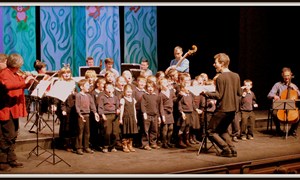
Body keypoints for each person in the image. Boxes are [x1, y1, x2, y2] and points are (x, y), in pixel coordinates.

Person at [201, 53, 242, 158]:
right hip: (233, 110)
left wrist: (205, 93)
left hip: (223, 109)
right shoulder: (236, 76)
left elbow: (219, 95)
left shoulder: (220, 78)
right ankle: (233, 149)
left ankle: (225, 149)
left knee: (210, 131)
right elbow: (239, 93)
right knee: (223, 130)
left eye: (216, 63)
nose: (214, 65)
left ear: (222, 63)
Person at [0, 53, 35, 171]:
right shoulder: (4, 73)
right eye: (19, 65)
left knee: (14, 134)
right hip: (6, 109)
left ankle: (11, 158)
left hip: (14, 109)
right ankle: (2, 161)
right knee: (6, 136)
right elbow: (8, 85)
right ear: (15, 65)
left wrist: (31, 80)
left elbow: (24, 85)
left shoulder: (15, 74)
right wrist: (25, 82)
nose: (21, 68)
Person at [267, 67, 300, 137]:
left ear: (291, 75)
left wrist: (296, 91)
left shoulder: (293, 85)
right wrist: (274, 96)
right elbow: (269, 95)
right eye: (285, 76)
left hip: (291, 107)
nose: (287, 77)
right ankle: (278, 130)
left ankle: (293, 130)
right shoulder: (277, 85)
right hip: (280, 107)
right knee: (274, 113)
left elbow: (299, 94)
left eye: (288, 75)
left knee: (299, 114)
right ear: (282, 75)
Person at [75, 79, 99, 155]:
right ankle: (79, 147)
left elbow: (92, 105)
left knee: (87, 132)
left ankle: (86, 147)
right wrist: (79, 114)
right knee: (80, 132)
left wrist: (95, 113)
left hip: (87, 115)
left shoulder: (88, 95)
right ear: (82, 87)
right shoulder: (78, 95)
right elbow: (77, 106)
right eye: (87, 85)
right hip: (81, 116)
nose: (89, 87)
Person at [97, 83, 120, 153]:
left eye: (111, 88)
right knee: (107, 132)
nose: (109, 90)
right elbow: (100, 107)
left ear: (113, 89)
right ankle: (105, 146)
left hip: (115, 116)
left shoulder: (115, 97)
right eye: (107, 88)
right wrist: (102, 115)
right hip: (107, 116)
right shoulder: (102, 98)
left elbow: (118, 106)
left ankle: (112, 146)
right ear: (104, 90)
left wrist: (118, 110)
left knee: (115, 132)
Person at [119, 84, 139, 153]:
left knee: (131, 132)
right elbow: (121, 109)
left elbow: (134, 109)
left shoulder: (133, 99)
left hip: (132, 118)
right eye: (127, 92)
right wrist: (121, 118)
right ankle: (125, 145)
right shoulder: (123, 100)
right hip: (126, 118)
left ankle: (130, 145)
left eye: (130, 92)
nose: (129, 93)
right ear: (124, 92)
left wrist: (135, 118)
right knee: (125, 132)